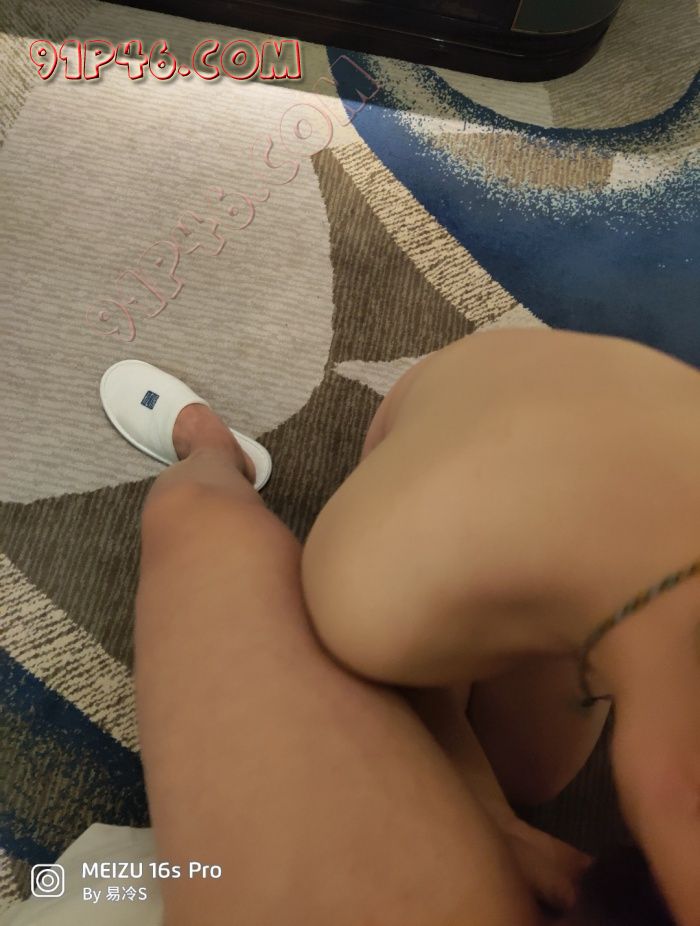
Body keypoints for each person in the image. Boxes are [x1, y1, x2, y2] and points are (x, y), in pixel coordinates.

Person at [106, 327, 699, 925]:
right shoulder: (378, 587)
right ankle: (214, 452)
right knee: (209, 525)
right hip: (460, 484)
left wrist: (494, 816)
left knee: (521, 778)